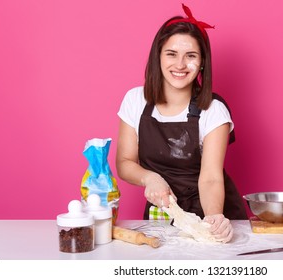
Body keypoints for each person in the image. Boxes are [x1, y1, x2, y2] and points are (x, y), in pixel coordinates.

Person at [116, 4, 247, 243]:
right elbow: (124, 163)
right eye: (171, 54)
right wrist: (150, 178)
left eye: (191, 56)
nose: (180, 64)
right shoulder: (135, 100)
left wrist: (213, 219)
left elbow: (210, 177)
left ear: (202, 63)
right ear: (158, 56)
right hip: (163, 211)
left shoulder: (213, 110)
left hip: (211, 209)